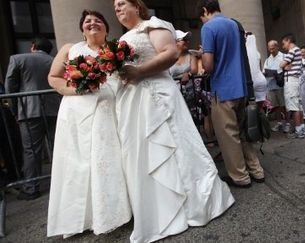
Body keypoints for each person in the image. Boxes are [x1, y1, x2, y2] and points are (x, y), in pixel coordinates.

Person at [112, 0, 235, 242]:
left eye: (121, 2)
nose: (116, 7)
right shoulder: (121, 38)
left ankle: (191, 204)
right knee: (145, 153)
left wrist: (139, 72)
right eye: (114, 5)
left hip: (156, 95)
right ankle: (159, 209)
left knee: (175, 148)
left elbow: (169, 54)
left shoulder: (153, 25)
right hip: (133, 101)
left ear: (137, 6)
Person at [46, 10, 131, 237]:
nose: (93, 23)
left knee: (109, 157)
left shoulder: (116, 49)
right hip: (77, 111)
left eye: (98, 20)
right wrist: (76, 89)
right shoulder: (69, 49)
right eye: (87, 21)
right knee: (79, 160)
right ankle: (82, 217)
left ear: (106, 27)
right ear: (82, 28)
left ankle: (116, 211)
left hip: (110, 110)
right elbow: (53, 77)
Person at [198, 0, 265, 187]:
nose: (202, 21)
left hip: (223, 89)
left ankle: (240, 177)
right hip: (241, 87)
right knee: (242, 133)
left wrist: (203, 54)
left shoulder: (209, 28)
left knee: (229, 138)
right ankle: (256, 171)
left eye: (201, 17)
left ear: (205, 10)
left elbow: (208, 65)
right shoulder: (235, 24)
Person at [5, 36, 61, 200]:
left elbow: (10, 88)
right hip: (55, 108)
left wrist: (15, 111)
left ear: (33, 46)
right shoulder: (54, 60)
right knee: (58, 148)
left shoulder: (17, 59)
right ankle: (63, 183)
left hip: (29, 110)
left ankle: (31, 188)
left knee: (31, 151)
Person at [280, 34, 305, 138]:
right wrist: (286, 66)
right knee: (298, 105)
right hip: (296, 80)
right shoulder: (298, 51)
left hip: (291, 81)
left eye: (284, 43)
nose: (283, 46)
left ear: (288, 41)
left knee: (294, 106)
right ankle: (301, 128)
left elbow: (281, 64)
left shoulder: (292, 50)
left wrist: (285, 66)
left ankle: (298, 131)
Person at [263, 40, 289, 133]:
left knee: (283, 105)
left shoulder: (284, 57)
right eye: (270, 49)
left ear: (277, 47)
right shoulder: (267, 59)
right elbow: (264, 70)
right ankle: (279, 123)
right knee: (276, 106)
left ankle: (287, 123)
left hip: (280, 85)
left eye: (273, 48)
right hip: (271, 85)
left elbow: (287, 68)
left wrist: (277, 73)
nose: (271, 51)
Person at [245, 33, 267, 109]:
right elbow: (260, 68)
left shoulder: (244, 52)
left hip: (250, 81)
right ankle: (262, 120)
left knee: (249, 108)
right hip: (261, 80)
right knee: (259, 109)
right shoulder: (258, 53)